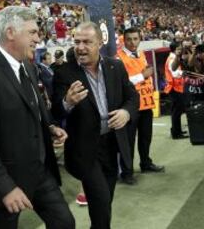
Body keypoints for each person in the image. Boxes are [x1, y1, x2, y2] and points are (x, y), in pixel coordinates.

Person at [0, 6, 75, 229]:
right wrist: (5, 187)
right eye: (32, 32)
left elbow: (35, 109)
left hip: (41, 172)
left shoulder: (28, 67)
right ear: (11, 32)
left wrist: (50, 126)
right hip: (6, 178)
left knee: (65, 223)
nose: (38, 38)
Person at [52, 21, 139, 229]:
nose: (80, 47)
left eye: (87, 42)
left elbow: (132, 97)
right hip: (85, 150)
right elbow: (55, 112)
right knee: (100, 201)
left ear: (100, 43)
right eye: (77, 42)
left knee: (104, 201)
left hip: (112, 145)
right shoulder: (64, 73)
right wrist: (67, 102)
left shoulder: (115, 66)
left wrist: (126, 112)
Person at [117, 27, 165, 185]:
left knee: (146, 137)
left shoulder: (142, 54)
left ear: (140, 39)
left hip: (146, 103)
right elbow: (120, 83)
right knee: (128, 141)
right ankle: (127, 172)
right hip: (130, 106)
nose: (132, 42)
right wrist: (142, 76)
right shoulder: (119, 58)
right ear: (124, 39)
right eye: (129, 39)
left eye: (135, 39)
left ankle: (145, 163)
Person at [164, 42, 189, 139]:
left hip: (175, 87)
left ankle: (177, 131)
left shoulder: (173, 58)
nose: (181, 50)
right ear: (175, 49)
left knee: (176, 111)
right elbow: (174, 74)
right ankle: (176, 132)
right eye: (179, 48)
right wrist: (184, 72)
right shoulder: (172, 59)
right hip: (174, 88)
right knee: (176, 112)